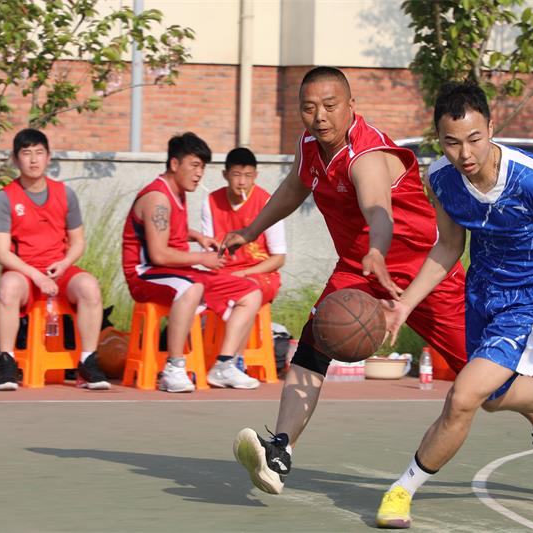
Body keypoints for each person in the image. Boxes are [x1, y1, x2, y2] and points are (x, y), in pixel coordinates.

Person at [374, 81, 533, 528]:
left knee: (464, 396)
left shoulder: (529, 178)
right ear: (438, 139)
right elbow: (449, 246)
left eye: (474, 139)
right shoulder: (441, 179)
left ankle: (401, 490)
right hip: (484, 293)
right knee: (492, 397)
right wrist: (404, 305)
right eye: (452, 142)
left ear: (491, 128)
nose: (465, 153)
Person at [226, 66, 469, 495]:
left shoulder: (365, 154)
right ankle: (280, 450)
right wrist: (250, 230)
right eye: (309, 108)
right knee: (314, 343)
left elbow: (378, 209)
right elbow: (293, 189)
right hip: (359, 267)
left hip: (424, 271)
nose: (319, 116)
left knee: (484, 375)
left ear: (351, 106)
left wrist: (377, 247)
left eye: (329, 106)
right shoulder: (309, 146)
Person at [122, 132, 263, 392]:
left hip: (176, 272)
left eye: (203, 167)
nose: (199, 174)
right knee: (191, 288)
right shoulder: (157, 198)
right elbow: (159, 254)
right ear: (175, 164)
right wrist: (203, 258)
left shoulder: (177, 192)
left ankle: (225, 365)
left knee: (251, 292)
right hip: (146, 274)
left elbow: (167, 228)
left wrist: (197, 236)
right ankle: (173, 368)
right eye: (195, 165)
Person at [0, 128, 109, 391]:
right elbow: (1, 253)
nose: (33, 160)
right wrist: (35, 275)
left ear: (49, 157)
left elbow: (78, 242)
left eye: (39, 153)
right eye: (26, 153)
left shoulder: (65, 194)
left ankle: (88, 361)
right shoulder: (4, 198)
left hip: (59, 269)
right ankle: (6, 362)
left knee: (89, 286)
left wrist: (64, 264)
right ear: (15, 159)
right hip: (24, 273)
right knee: (7, 286)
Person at [201, 147, 286, 305]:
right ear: (225, 175)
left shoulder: (267, 203)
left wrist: (244, 273)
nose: (242, 182)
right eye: (236, 175)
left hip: (259, 274)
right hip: (223, 273)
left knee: (244, 291)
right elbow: (208, 252)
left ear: (255, 176)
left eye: (248, 175)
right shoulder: (210, 202)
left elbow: (279, 258)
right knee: (193, 290)